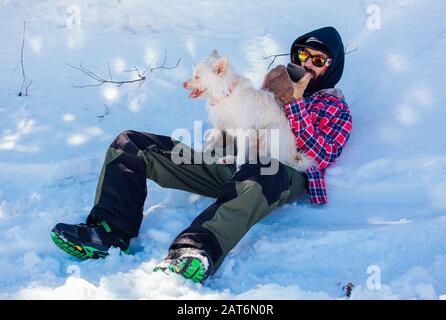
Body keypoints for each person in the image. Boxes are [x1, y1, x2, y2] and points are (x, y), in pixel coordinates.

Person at [51, 26, 353, 284]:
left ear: (333, 66)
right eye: (303, 55)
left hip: (279, 175)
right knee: (132, 144)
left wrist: (297, 101)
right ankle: (109, 232)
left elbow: (318, 154)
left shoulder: (337, 108)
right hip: (230, 163)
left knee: (263, 166)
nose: (308, 64)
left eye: (319, 59)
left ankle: (194, 250)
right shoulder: (275, 85)